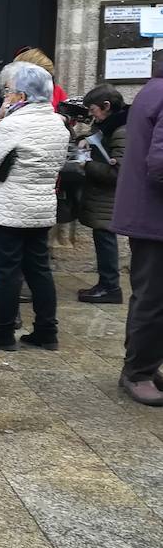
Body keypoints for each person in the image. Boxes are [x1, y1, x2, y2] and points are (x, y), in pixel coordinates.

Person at [0, 62, 70, 350]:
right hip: (41, 208)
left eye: (8, 91)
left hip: (8, 210)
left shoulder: (12, 124)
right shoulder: (58, 124)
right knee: (39, 270)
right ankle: (46, 331)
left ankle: (2, 332)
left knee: (6, 272)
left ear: (21, 96)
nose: (6, 96)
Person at [111, 58, 163, 406]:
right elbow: (160, 164)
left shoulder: (152, 89)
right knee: (154, 300)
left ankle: (142, 365)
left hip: (149, 216)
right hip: (156, 218)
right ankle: (139, 372)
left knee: (149, 297)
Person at [74, 83, 129, 304]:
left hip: (108, 198)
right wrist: (82, 140)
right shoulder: (109, 125)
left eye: (93, 109)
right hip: (101, 196)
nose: (91, 115)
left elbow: (118, 173)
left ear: (106, 106)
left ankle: (110, 288)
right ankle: (105, 284)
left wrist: (86, 164)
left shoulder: (121, 131)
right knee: (102, 239)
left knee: (106, 241)